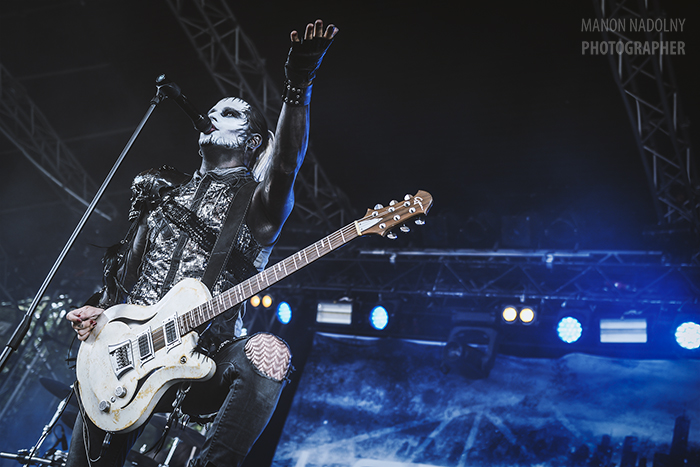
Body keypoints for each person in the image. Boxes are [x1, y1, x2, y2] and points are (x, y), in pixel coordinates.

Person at [64, 19, 338, 467]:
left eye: (229, 113)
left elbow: (286, 161)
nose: (213, 113)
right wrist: (100, 312)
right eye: (213, 109)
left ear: (252, 142)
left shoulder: (258, 204)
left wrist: (298, 85)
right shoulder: (159, 193)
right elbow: (125, 278)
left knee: (269, 353)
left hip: (202, 360)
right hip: (127, 358)